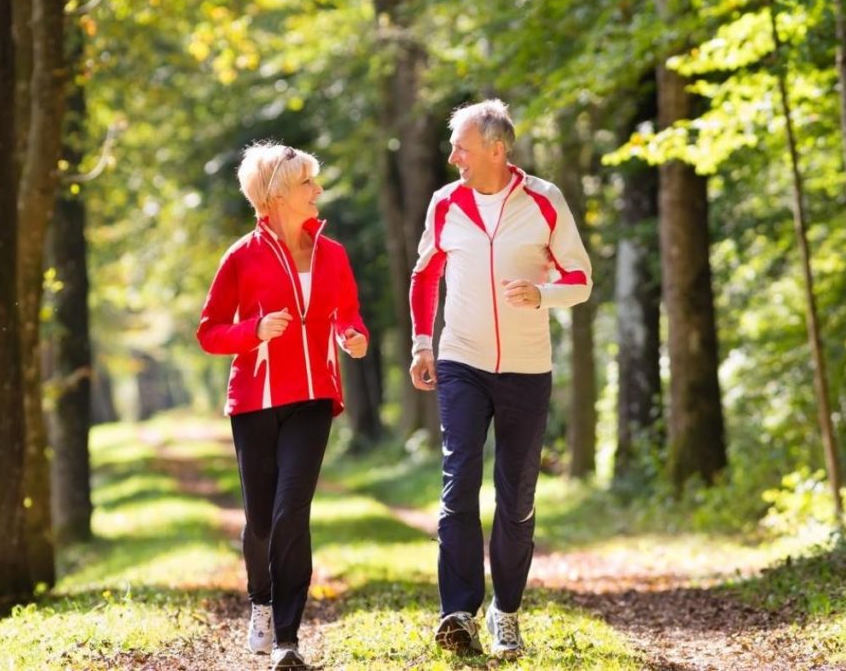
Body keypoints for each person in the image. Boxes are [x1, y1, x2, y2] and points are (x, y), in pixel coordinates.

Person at [408, 100, 592, 656]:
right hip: (461, 359)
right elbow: (424, 276)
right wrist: (422, 345)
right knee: (459, 480)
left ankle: (505, 613)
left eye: (461, 146)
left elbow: (580, 279)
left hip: (526, 368)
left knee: (515, 498)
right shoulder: (446, 203)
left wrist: (543, 294)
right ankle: (458, 612)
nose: (452, 156)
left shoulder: (544, 200)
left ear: (496, 148)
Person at [197, 142, 369, 671]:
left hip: (315, 398)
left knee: (292, 511)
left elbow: (349, 315)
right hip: (255, 400)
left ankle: (289, 639)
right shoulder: (241, 257)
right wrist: (254, 331)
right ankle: (262, 602)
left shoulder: (332, 254)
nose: (317, 191)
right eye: (307, 184)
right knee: (263, 521)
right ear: (274, 196)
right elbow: (209, 333)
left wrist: (352, 335)